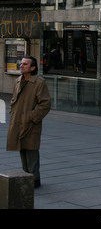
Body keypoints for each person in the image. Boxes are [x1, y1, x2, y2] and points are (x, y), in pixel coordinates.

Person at [6, 56, 51, 188]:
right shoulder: (18, 81)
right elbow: (14, 99)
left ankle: (34, 179)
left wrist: (31, 117)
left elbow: (45, 104)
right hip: (17, 121)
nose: (21, 65)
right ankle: (26, 177)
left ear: (32, 68)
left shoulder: (39, 82)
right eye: (21, 63)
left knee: (31, 149)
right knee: (22, 148)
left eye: (25, 64)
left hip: (31, 123)